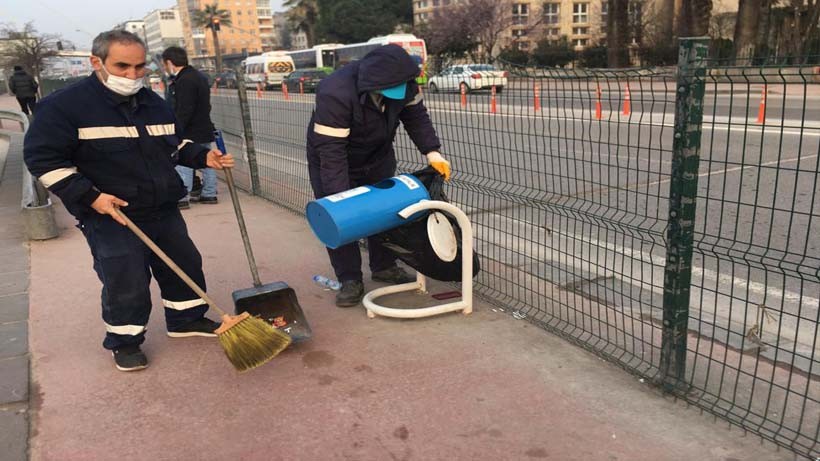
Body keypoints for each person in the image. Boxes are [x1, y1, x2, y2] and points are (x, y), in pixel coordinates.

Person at [23, 30, 235, 372]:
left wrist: (203, 157)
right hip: (109, 213)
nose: (132, 76)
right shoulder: (64, 107)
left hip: (161, 206)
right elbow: (44, 160)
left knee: (184, 264)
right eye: (122, 66)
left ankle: (186, 320)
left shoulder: (154, 104)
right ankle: (125, 341)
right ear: (97, 62)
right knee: (126, 278)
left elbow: (174, 145)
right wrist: (90, 197)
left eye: (139, 68)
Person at [306, 44, 452, 307]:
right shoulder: (335, 92)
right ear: (374, 82)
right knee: (340, 217)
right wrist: (342, 198)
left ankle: (384, 266)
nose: (403, 89)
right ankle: (350, 278)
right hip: (333, 159)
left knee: (386, 211)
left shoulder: (404, 85)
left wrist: (432, 152)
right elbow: (332, 151)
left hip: (377, 154)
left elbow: (416, 118)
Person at [162, 46, 218, 209]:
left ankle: (182, 196)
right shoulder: (198, 76)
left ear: (170, 62)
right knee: (207, 161)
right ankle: (209, 193)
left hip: (189, 130)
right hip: (203, 126)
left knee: (183, 162)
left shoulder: (184, 80)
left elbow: (184, 109)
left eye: (165, 64)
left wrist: (176, 129)